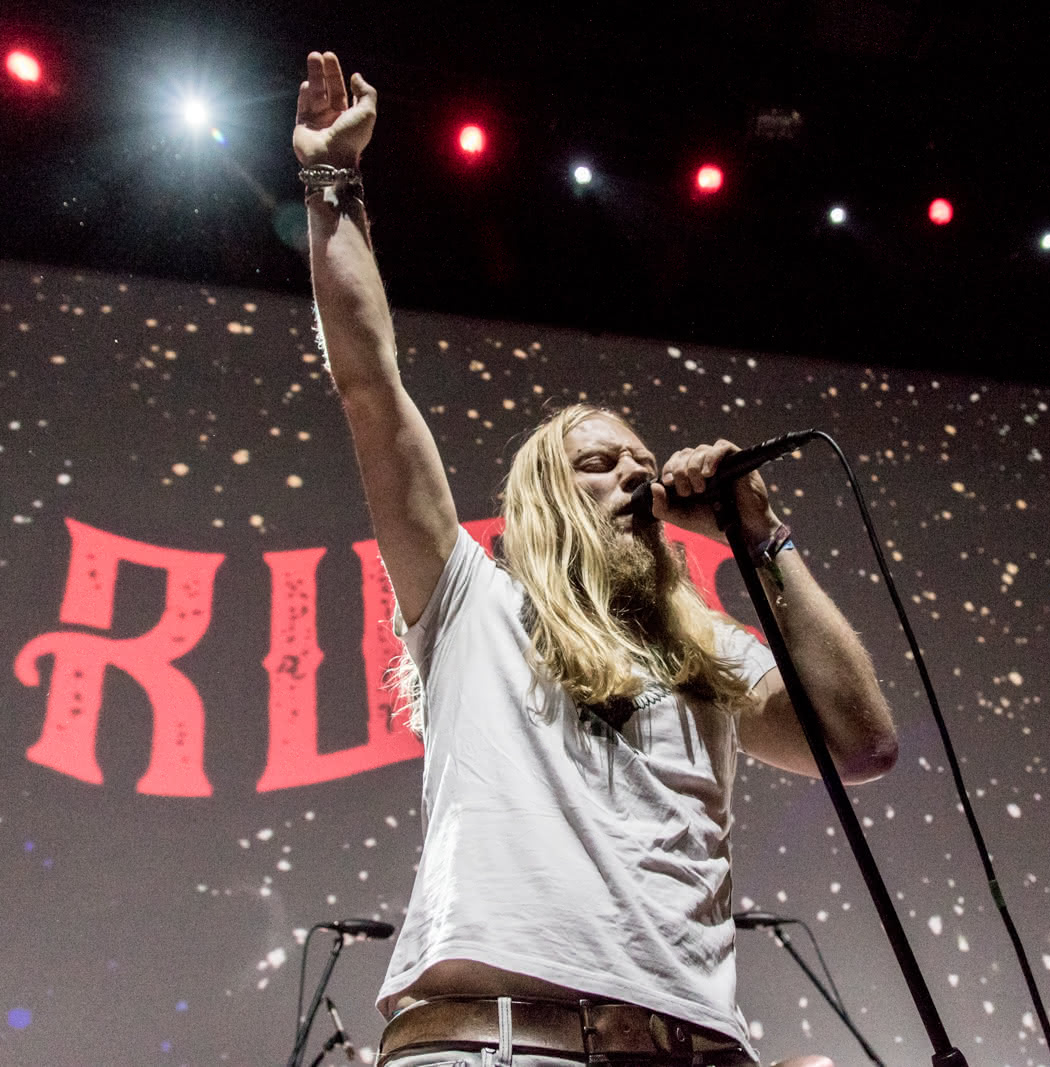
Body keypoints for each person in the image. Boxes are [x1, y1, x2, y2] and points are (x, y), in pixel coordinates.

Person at [294, 50, 897, 1067]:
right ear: (537, 499)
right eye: (597, 461)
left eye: (643, 461)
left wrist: (760, 536)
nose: (635, 473)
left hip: (690, 1048)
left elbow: (861, 745)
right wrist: (328, 184)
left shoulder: (706, 642)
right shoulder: (470, 601)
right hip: (495, 1044)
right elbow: (370, 383)